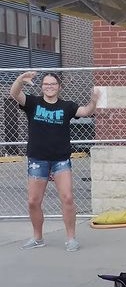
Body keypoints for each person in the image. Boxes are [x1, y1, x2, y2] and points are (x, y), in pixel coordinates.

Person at [10, 71, 99, 251]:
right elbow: (14, 94)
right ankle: (37, 238)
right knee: (33, 201)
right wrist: (20, 80)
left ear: (59, 87)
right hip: (37, 159)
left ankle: (71, 239)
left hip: (61, 159)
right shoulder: (33, 103)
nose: (49, 87)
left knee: (67, 198)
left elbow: (86, 111)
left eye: (53, 84)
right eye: (46, 84)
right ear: (42, 87)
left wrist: (94, 100)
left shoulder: (67, 106)